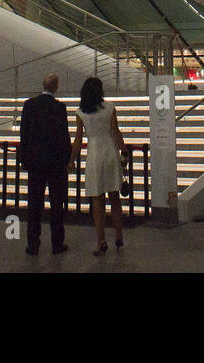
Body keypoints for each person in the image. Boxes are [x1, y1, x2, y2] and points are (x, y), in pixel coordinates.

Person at [69, 77, 127, 255]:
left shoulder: (80, 112)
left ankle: (101, 241)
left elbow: (78, 140)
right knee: (114, 197)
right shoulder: (110, 108)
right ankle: (118, 236)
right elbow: (115, 131)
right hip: (109, 151)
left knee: (97, 199)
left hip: (93, 154)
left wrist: (71, 160)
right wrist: (124, 150)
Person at [19, 73, 71, 255]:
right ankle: (57, 242)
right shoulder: (59, 108)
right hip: (55, 164)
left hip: (35, 162)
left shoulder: (29, 105)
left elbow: (24, 134)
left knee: (34, 205)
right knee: (57, 204)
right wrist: (67, 160)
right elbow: (63, 137)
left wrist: (24, 158)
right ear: (56, 87)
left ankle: (33, 244)